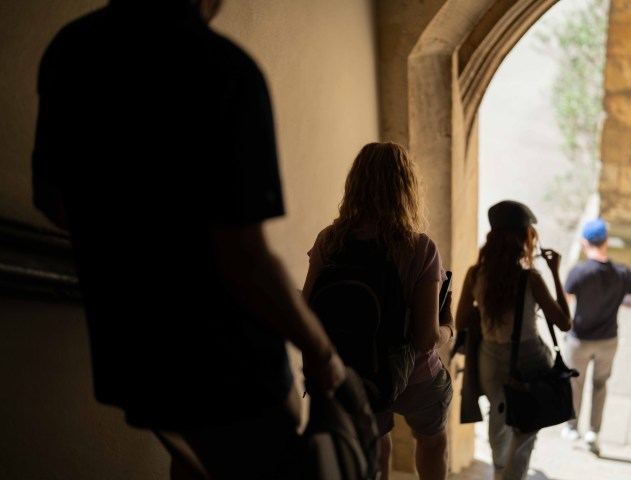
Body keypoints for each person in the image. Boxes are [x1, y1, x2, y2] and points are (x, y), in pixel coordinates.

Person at [31, 1, 346, 478]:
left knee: (189, 461)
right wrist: (321, 353)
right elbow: (246, 260)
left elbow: (52, 201)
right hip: (231, 368)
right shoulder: (225, 69)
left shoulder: (69, 51)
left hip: (133, 351)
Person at [302, 142, 454, 480]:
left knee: (375, 446)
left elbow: (308, 309)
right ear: (407, 187)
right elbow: (426, 339)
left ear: (355, 183)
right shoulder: (420, 248)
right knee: (432, 443)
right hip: (414, 377)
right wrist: (449, 326)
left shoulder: (330, 239)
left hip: (354, 373)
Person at [455, 200, 572, 480]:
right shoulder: (530, 278)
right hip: (529, 360)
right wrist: (556, 272)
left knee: (498, 423)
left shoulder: (476, 274)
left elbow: (460, 323)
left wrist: (483, 310)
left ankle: (498, 471)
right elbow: (565, 322)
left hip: (490, 359)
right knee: (525, 430)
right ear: (523, 238)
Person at [560, 218, 631, 455]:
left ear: (585, 243)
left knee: (575, 382)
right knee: (600, 384)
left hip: (579, 340)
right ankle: (593, 433)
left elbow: (563, 303)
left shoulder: (578, 272)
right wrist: (620, 300)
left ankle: (572, 426)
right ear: (607, 241)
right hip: (608, 340)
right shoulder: (622, 272)